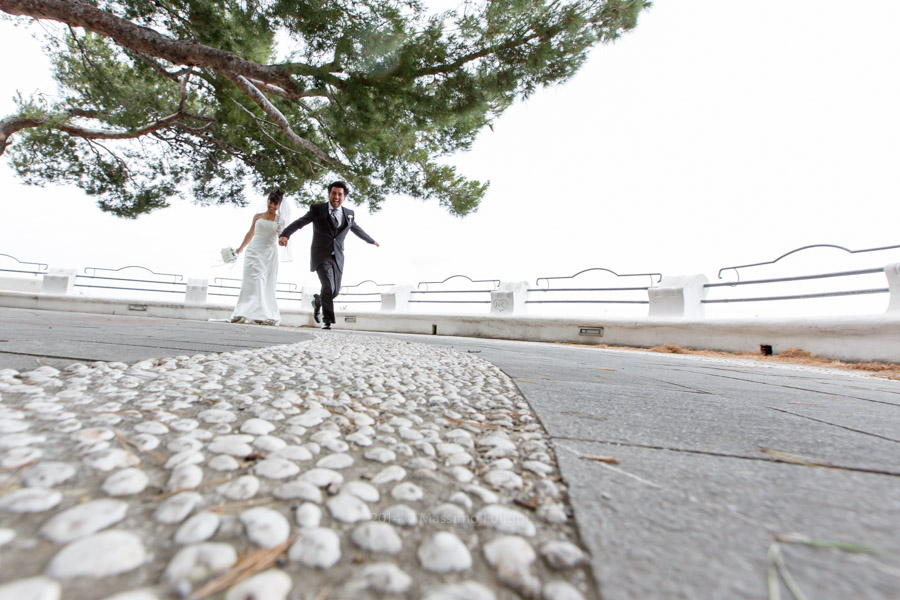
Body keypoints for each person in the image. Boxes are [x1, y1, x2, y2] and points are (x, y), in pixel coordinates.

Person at [279, 181, 379, 329]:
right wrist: (285, 234)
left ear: (344, 197)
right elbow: (300, 222)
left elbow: (356, 229)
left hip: (337, 257)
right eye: (334, 193)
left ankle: (317, 302)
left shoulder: (349, 214)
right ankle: (327, 320)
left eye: (340, 194)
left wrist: (371, 240)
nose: (336, 197)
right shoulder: (317, 209)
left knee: (335, 291)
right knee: (328, 286)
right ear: (329, 194)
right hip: (321, 255)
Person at [230, 189, 287, 325]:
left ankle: (260, 313)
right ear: (267, 201)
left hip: (268, 253)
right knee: (250, 281)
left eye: (275, 204)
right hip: (253, 251)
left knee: (261, 279)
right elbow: (250, 233)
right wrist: (240, 248)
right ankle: (243, 312)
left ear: (279, 205)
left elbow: (280, 237)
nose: (272, 206)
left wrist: (283, 240)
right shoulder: (258, 216)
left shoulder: (280, 220)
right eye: (270, 203)